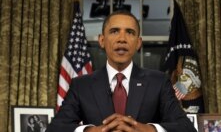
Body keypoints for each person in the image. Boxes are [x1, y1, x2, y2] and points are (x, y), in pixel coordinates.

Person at [46, 10, 197, 132]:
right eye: (114, 31)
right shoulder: (81, 85)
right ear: (102, 40)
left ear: (138, 43)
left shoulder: (158, 82)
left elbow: (186, 128)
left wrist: (148, 129)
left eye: (130, 32)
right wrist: (91, 131)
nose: (122, 39)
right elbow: (55, 128)